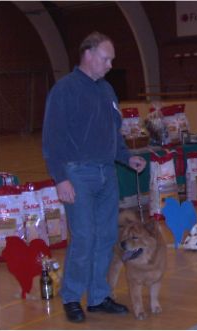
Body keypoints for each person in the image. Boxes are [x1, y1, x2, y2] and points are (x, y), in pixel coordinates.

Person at [42, 31, 146, 323]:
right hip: (78, 174)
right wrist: (60, 178)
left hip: (107, 173)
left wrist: (127, 157)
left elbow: (114, 134)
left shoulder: (106, 90)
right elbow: (52, 139)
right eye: (106, 58)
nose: (110, 64)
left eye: (111, 59)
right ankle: (72, 297)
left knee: (107, 236)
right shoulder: (65, 90)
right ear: (88, 55)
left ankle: (99, 297)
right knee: (84, 237)